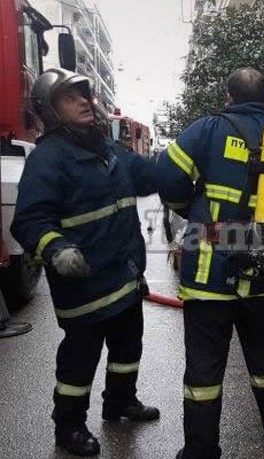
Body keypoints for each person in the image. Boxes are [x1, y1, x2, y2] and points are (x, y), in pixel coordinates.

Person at [156, 68, 264, 459]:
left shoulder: (207, 131)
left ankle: (201, 452)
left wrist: (192, 210)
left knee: (204, 373)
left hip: (209, 276)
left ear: (229, 97)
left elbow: (168, 180)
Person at [11, 68, 159, 457]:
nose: (84, 101)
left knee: (129, 350)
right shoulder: (48, 159)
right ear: (51, 111)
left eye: (85, 94)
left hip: (125, 280)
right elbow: (28, 220)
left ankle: (120, 403)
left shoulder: (110, 152)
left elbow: (154, 176)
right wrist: (55, 247)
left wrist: (196, 156)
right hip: (85, 288)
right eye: (70, 97)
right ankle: (69, 427)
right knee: (78, 364)